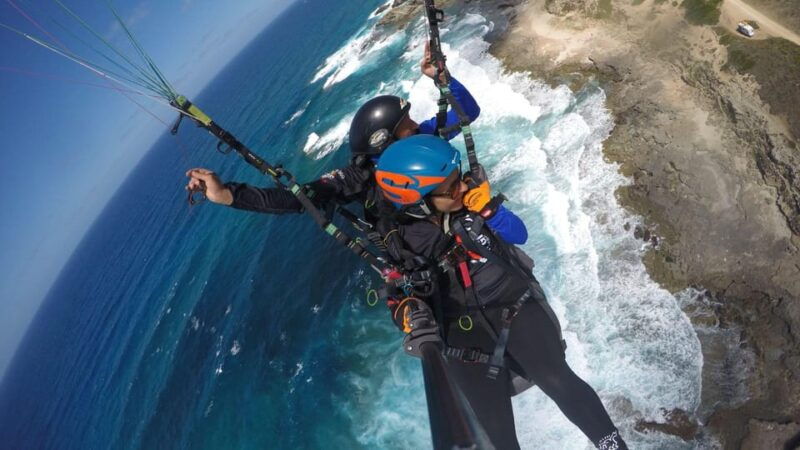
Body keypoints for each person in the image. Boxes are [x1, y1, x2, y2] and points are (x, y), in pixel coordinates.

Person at [374, 134, 628, 450]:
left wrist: (491, 212)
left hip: (512, 301)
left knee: (557, 379)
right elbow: (399, 293)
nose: (463, 189)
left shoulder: (472, 208)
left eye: (459, 180)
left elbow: (519, 234)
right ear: (419, 200)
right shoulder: (402, 244)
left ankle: (612, 445)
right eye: (452, 188)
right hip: (460, 334)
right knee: (496, 436)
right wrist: (411, 314)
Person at [184, 42, 479, 227]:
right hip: (424, 250)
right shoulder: (359, 178)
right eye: (408, 124)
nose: (417, 125)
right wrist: (227, 195)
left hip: (462, 220)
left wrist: (443, 79)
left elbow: (468, 113)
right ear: (385, 141)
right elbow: (299, 198)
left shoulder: (421, 140)